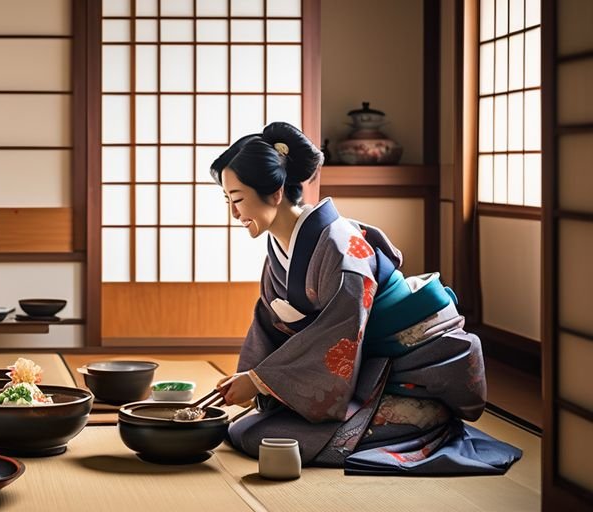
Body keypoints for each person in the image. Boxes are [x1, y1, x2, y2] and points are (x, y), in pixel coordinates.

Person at [212, 122, 521, 475]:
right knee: (244, 429)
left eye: (237, 199)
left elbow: (338, 336)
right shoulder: (278, 250)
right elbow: (268, 324)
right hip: (363, 370)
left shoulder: (339, 247)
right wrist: (253, 378)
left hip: (407, 369)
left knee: (258, 436)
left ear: (276, 192)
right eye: (227, 201)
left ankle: (425, 420)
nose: (234, 213)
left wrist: (261, 380)